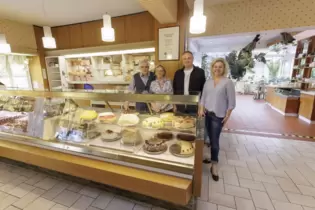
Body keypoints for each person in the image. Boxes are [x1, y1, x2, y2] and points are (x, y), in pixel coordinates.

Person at [198, 58, 236, 181]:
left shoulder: (228, 82)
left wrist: (227, 115)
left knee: (214, 142)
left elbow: (232, 102)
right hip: (205, 114)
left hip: (217, 116)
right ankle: (208, 158)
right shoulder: (208, 82)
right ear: (212, 68)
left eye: (220, 67)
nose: (217, 69)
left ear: (224, 68)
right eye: (215, 66)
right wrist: (200, 108)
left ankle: (214, 165)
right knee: (204, 139)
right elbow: (203, 98)